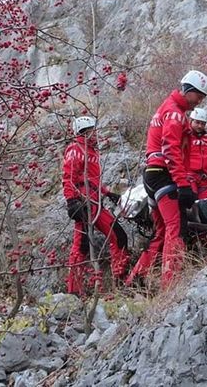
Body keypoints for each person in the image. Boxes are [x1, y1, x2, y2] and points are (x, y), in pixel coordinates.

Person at [126, 70, 207, 288]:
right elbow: (171, 149)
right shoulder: (174, 113)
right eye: (199, 95)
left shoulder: (167, 108)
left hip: (152, 175)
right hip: (163, 175)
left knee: (162, 231)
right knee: (177, 226)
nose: (200, 100)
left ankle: (135, 279)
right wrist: (183, 184)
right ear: (189, 91)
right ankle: (171, 285)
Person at [62, 116, 129, 295]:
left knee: (119, 236)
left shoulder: (92, 152)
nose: (96, 133)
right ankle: (74, 292)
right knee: (81, 247)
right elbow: (68, 178)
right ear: (84, 132)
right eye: (92, 130)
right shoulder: (75, 150)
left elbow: (92, 180)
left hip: (96, 202)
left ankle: (120, 281)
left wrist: (108, 193)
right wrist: (71, 201)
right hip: (83, 204)